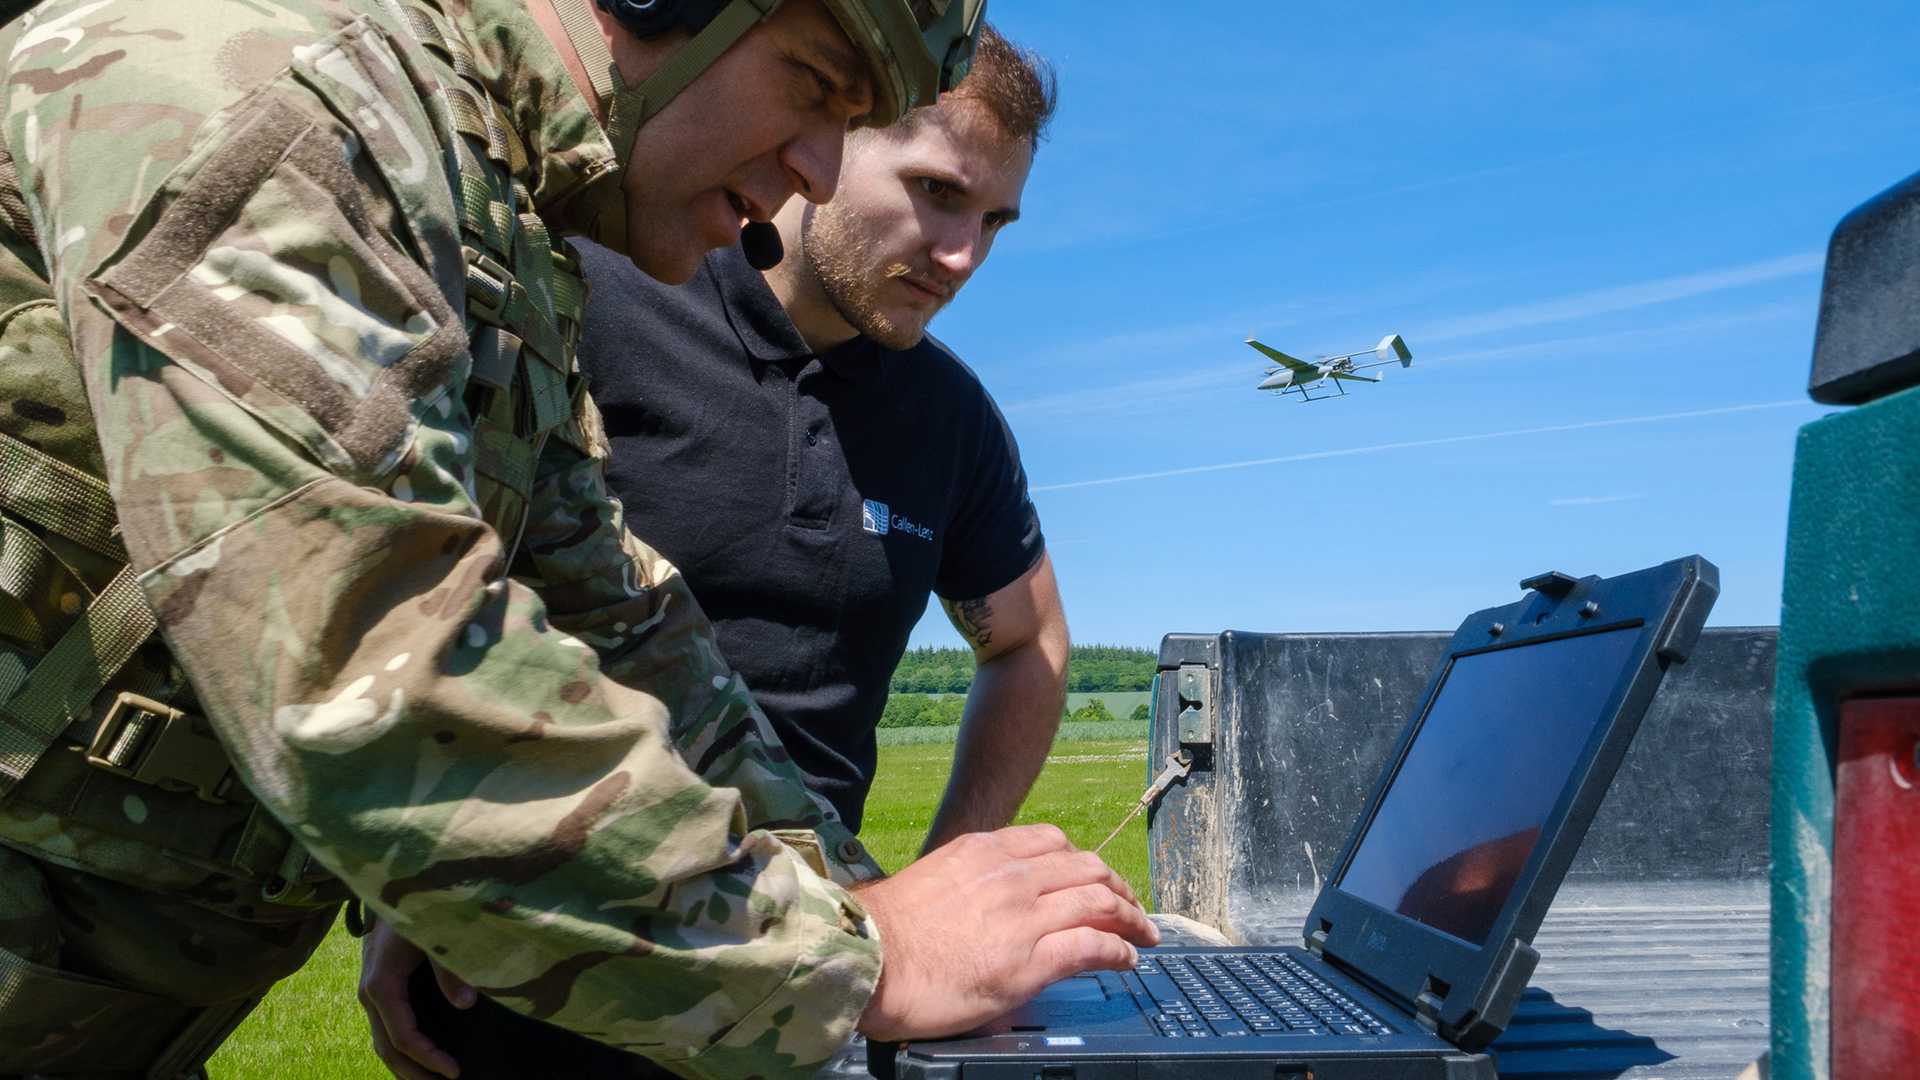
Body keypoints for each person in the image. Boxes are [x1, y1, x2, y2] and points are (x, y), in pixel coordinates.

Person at [0, 2, 1155, 1078]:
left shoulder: (502, 233)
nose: (814, 166)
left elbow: (630, 625)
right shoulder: (286, 92)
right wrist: (859, 959)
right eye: (810, 85)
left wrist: (884, 908)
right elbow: (369, 684)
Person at [357, 25, 1073, 1078]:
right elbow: (440, 594)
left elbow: (1031, 639)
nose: (964, 256)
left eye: (995, 221)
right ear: (824, 140)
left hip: (817, 972)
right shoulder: (599, 292)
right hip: (553, 962)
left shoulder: (953, 421)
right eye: (936, 192)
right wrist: (413, 879)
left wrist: (946, 881)